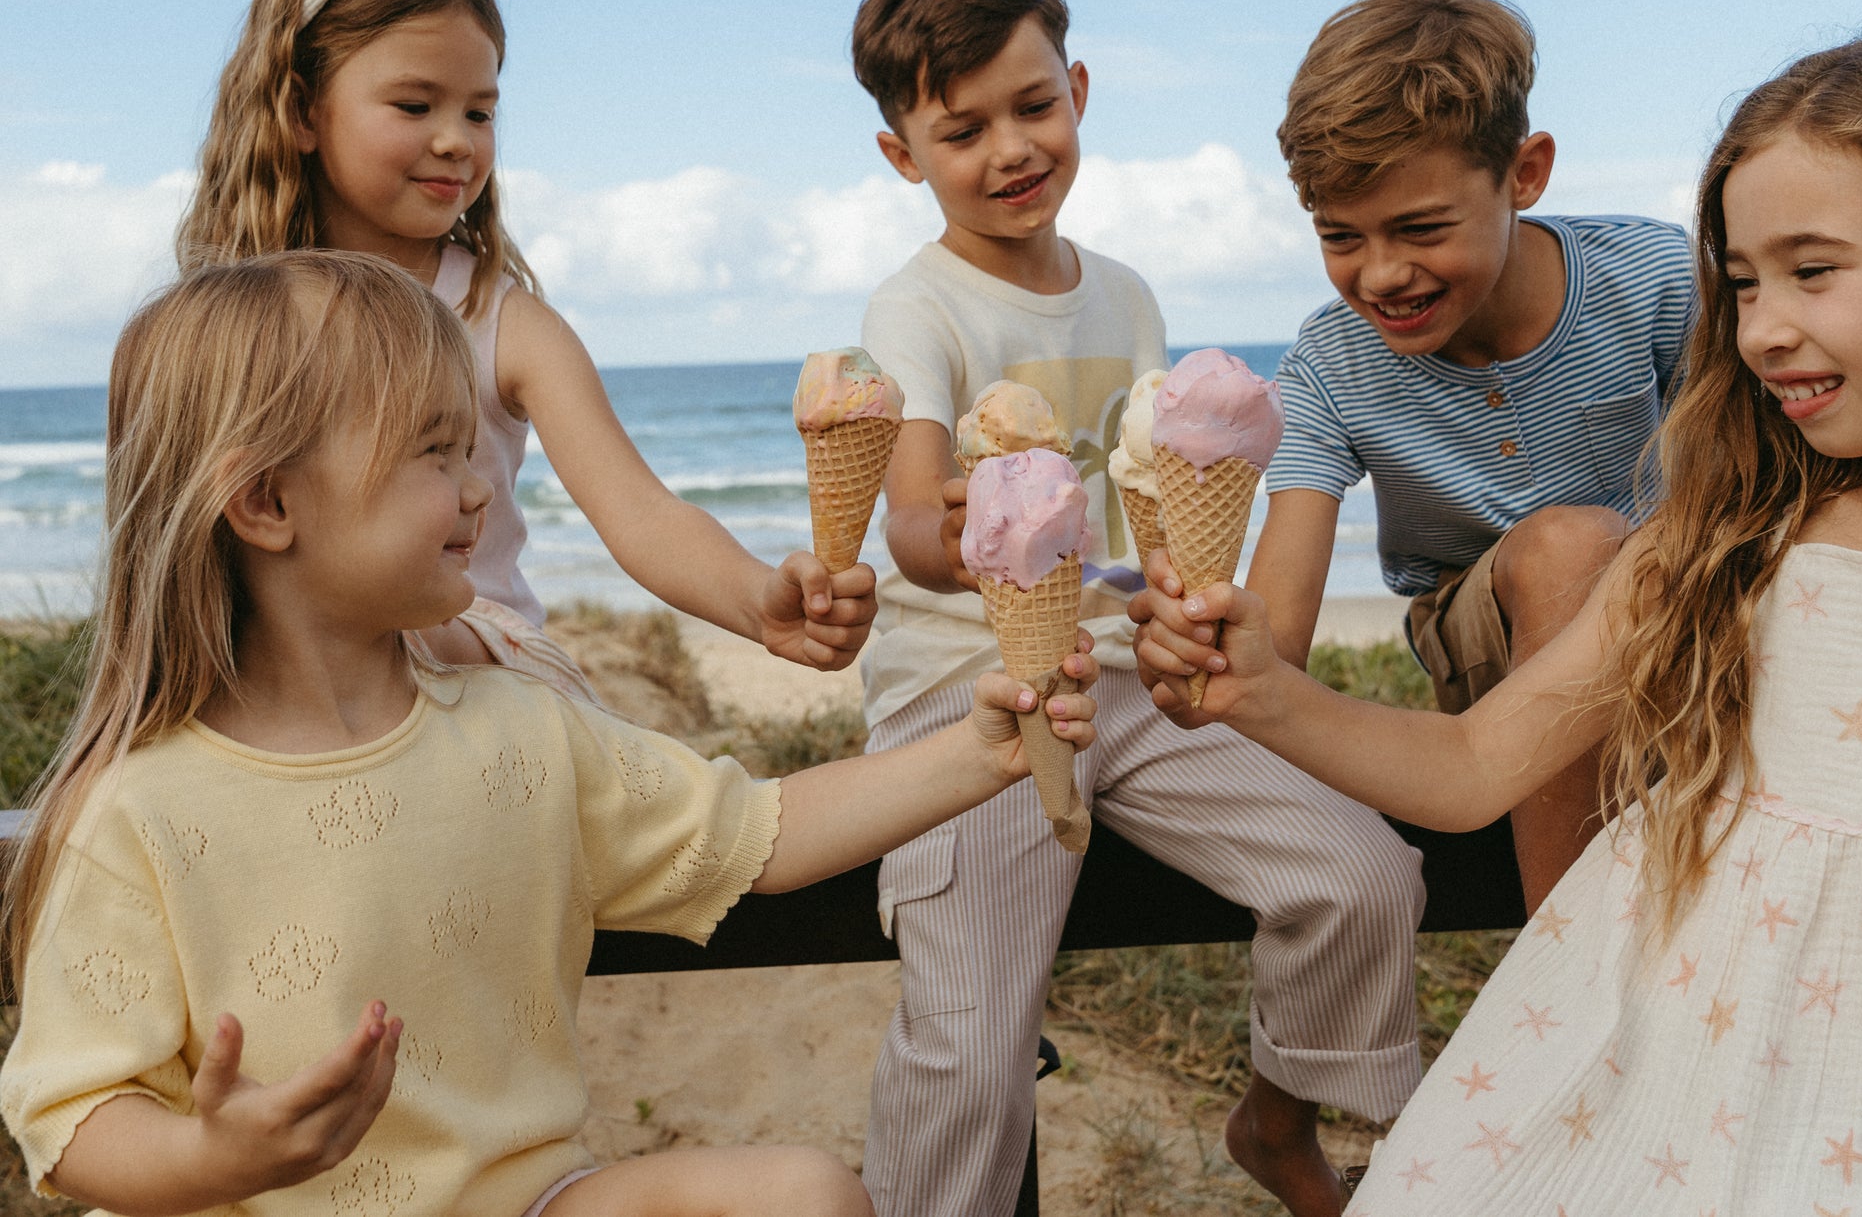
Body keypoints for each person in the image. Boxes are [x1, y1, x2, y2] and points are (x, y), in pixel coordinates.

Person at [1134, 12, 1862, 1213]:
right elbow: (1469, 766)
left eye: (1811, 271)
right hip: (1663, 1106)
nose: (1762, 326)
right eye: (1740, 282)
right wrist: (1261, 688)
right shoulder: (1735, 534)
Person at [0, 250, 1099, 1217]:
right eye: (435, 453)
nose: (483, 488)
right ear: (268, 505)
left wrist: (978, 752)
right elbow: (73, 1117)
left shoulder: (523, 730)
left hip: (526, 1202)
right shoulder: (138, 810)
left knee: (803, 1195)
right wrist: (209, 1155)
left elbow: (757, 834)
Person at [849, 0, 1426, 1217]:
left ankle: (1281, 1122)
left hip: (1122, 685)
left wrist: (1179, 598)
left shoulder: (1125, 294)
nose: (1010, 148)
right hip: (978, 700)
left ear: (1081, 92)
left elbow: (1154, 499)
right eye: (962, 129)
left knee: (1361, 875)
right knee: (971, 1042)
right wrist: (987, 527)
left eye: (1033, 105)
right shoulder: (917, 311)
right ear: (904, 156)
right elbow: (907, 529)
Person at [174, 0, 871, 690]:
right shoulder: (232, 326)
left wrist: (755, 600)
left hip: (470, 667)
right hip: (293, 684)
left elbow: (639, 513)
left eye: (479, 111)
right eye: (415, 105)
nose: (456, 139)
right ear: (302, 110)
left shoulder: (501, 322)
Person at [1254, 0, 1692, 911]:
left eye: (1422, 229)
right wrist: (1206, 640)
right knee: (1570, 547)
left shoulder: (1654, 280)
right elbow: (1277, 634)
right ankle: (1564, 951)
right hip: (1487, 639)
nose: (1381, 274)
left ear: (1525, 174)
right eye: (1341, 237)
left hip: (1673, 609)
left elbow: (1748, 486)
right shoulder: (1332, 364)